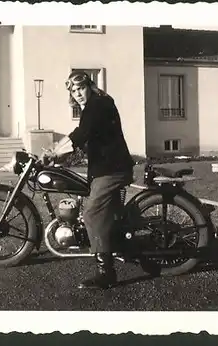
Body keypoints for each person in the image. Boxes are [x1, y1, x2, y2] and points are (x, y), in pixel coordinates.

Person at [43, 71, 135, 289]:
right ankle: (115, 245)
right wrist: (58, 151)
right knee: (103, 211)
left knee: (92, 212)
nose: (78, 94)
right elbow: (82, 134)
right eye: (73, 91)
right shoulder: (94, 106)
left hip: (112, 169)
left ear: (90, 86)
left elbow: (81, 134)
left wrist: (56, 153)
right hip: (104, 168)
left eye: (81, 88)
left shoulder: (98, 104)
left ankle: (106, 273)